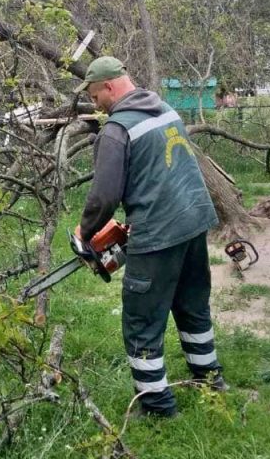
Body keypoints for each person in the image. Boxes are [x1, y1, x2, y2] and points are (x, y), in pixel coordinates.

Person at [76, 56, 227, 418]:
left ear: (109, 86)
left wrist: (85, 232)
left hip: (158, 234)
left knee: (142, 320)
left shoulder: (117, 129)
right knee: (192, 305)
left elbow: (104, 197)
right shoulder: (165, 109)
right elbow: (163, 172)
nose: (95, 104)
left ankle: (157, 406)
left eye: (95, 95)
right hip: (192, 223)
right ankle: (210, 379)